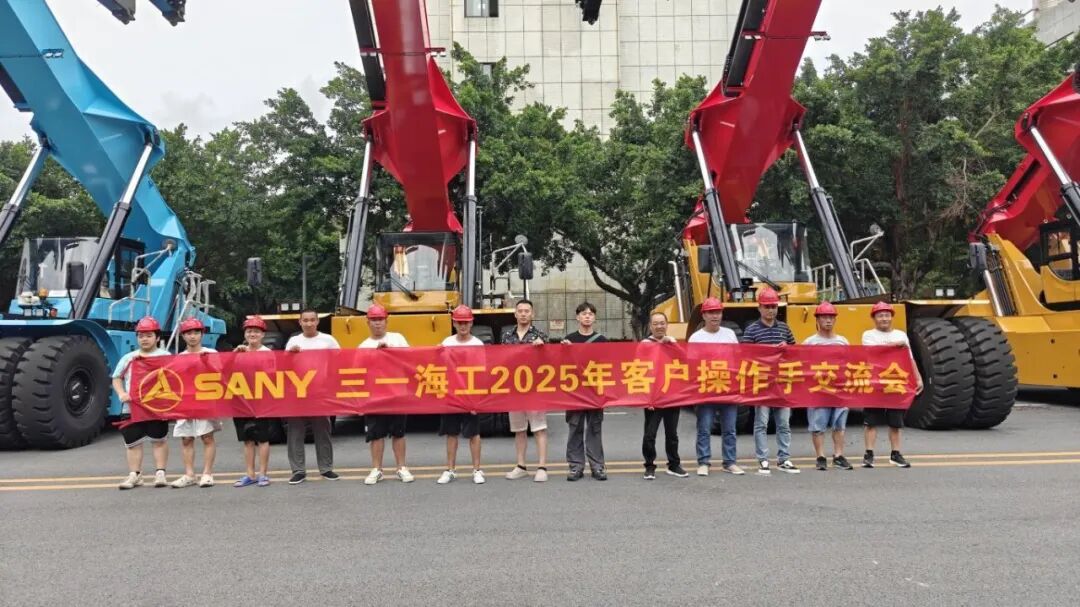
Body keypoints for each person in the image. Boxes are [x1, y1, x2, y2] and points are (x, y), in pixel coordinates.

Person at [743, 287, 799, 475]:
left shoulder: (784, 328)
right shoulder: (751, 330)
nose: (771, 310)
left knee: (784, 423)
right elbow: (745, 356)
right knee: (761, 423)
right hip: (762, 383)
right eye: (767, 307)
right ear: (759, 308)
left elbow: (795, 351)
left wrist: (787, 348)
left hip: (782, 382)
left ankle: (784, 458)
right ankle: (763, 459)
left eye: (773, 306)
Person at [861, 301, 924, 469]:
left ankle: (895, 454)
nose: (884, 318)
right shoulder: (868, 335)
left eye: (887, 315)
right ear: (874, 318)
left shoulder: (901, 335)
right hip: (875, 384)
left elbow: (909, 358)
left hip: (896, 384)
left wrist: (918, 378)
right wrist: (896, 346)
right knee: (871, 421)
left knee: (896, 422)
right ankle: (869, 454)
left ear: (892, 317)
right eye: (880, 315)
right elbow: (873, 352)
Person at [112, 316, 170, 490]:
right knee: (133, 442)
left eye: (149, 335)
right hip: (131, 406)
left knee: (159, 439)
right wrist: (121, 393)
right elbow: (116, 377)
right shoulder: (129, 358)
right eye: (141, 335)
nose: (144, 339)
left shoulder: (166, 357)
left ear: (157, 337)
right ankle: (135, 475)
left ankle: (160, 473)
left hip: (157, 407)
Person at [688, 297, 743, 477]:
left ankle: (730, 462)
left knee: (730, 430)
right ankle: (703, 462)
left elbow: (737, 359)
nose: (715, 316)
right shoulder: (696, 338)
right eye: (711, 312)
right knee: (704, 429)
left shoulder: (730, 334)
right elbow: (692, 365)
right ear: (703, 315)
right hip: (706, 390)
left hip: (727, 388)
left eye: (718, 312)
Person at [284, 308, 340, 485]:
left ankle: (326, 468)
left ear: (317, 321)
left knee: (323, 430)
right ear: (300, 322)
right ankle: (298, 470)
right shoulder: (293, 341)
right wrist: (289, 355)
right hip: (298, 392)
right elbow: (283, 365)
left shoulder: (328, 340)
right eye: (305, 320)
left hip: (320, 391)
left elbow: (340, 361)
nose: (309, 323)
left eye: (312, 320)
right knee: (295, 432)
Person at [360, 303, 414, 485]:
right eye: (374, 320)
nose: (377, 323)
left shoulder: (398, 339)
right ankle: (377, 469)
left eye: (380, 319)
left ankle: (401, 467)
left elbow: (410, 360)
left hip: (397, 394)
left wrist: (390, 352)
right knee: (376, 434)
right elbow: (359, 371)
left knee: (399, 433)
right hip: (375, 396)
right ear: (368, 322)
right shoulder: (363, 346)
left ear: (386, 321)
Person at [500, 299, 549, 482]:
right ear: (515, 314)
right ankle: (521, 466)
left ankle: (542, 467)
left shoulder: (540, 335)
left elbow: (551, 361)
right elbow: (501, 360)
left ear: (532, 314)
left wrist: (542, 348)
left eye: (527, 311)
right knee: (519, 429)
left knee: (539, 428)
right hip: (514, 388)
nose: (523, 314)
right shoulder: (507, 336)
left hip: (535, 388)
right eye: (520, 311)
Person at [170, 318, 222, 488]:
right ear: (183, 336)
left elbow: (220, 375)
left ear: (202, 334)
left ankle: (207, 473)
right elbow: (173, 379)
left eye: (196, 333)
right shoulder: (179, 357)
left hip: (205, 400)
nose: (192, 336)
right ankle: (189, 474)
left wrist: (207, 363)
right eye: (188, 333)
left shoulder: (211, 353)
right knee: (186, 439)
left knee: (207, 437)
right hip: (185, 402)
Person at [437, 305, 486, 485]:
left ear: (471, 323)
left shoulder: (478, 344)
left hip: (470, 395)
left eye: (466, 322)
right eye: (459, 322)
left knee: (474, 434)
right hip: (451, 395)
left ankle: (477, 469)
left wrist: (477, 399)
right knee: (451, 433)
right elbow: (439, 367)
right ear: (454, 323)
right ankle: (450, 470)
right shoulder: (447, 342)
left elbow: (481, 372)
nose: (463, 326)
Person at [802, 302, 853, 471]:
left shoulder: (843, 341)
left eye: (831, 317)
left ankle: (838, 455)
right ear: (817, 320)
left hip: (839, 389)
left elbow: (850, 363)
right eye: (824, 317)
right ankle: (820, 456)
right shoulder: (810, 342)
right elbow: (802, 364)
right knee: (818, 426)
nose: (828, 320)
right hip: (818, 389)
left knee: (840, 425)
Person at [560, 302, 608, 481]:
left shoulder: (602, 341)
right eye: (583, 313)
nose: (587, 316)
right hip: (575, 391)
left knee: (595, 429)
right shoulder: (569, 339)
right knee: (575, 429)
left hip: (595, 391)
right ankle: (575, 466)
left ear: (594, 318)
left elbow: (609, 365)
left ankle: (597, 466)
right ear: (577, 317)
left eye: (590, 314)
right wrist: (564, 350)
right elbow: (562, 366)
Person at [640, 312, 688, 480]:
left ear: (667, 325)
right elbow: (638, 369)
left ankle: (674, 464)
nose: (659, 326)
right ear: (650, 326)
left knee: (672, 434)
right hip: (653, 396)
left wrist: (672, 344)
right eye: (655, 323)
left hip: (672, 395)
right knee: (649, 434)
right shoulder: (645, 344)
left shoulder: (672, 342)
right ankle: (649, 465)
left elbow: (685, 360)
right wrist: (646, 397)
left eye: (662, 323)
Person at [232, 315, 274, 487]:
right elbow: (225, 371)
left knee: (263, 439)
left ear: (262, 334)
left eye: (256, 331)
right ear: (245, 334)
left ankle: (263, 474)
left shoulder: (268, 353)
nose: (252, 334)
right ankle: (250, 474)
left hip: (262, 401)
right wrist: (234, 355)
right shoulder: (239, 352)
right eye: (249, 331)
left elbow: (273, 375)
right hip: (241, 401)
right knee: (247, 439)